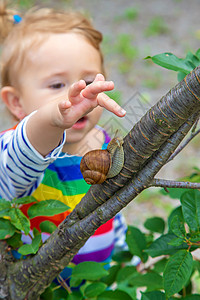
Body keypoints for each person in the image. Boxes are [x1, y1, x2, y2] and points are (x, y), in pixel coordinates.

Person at [0, 4, 129, 283]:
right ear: (16, 102)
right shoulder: (13, 149)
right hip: (37, 288)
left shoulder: (105, 144)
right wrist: (52, 118)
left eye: (86, 81)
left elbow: (113, 207)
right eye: (57, 85)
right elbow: (28, 151)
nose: (78, 95)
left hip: (96, 283)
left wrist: (123, 251)